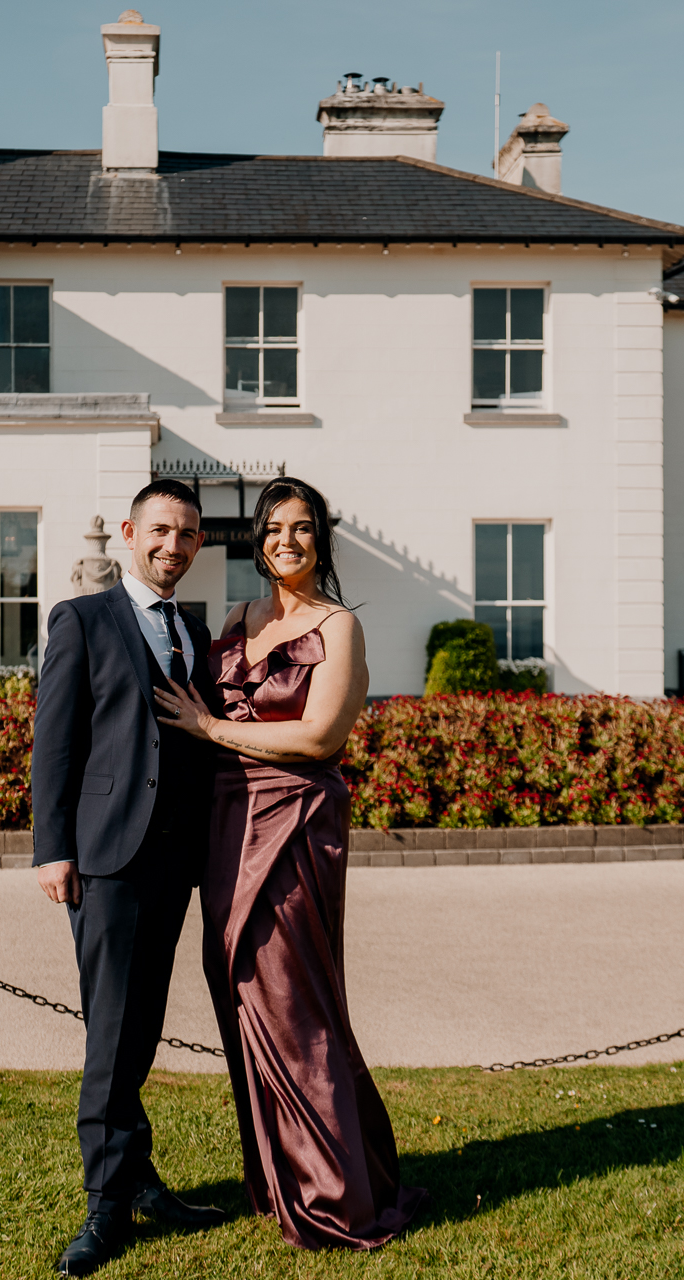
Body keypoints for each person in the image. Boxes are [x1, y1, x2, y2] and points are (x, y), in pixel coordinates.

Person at [153, 477, 427, 1251]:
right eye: (274, 528)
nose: (286, 541)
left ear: (322, 540)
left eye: (302, 529)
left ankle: (336, 1193)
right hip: (226, 825)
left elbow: (317, 739)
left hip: (297, 827)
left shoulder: (340, 626)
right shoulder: (238, 619)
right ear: (257, 539)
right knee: (241, 996)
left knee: (295, 1002)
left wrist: (209, 729)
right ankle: (279, 1178)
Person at [32, 479, 228, 1276]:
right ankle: (107, 1203)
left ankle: (138, 1175)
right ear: (127, 532)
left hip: (173, 861)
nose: (171, 546)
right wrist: (52, 848)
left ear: (199, 544)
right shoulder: (82, 619)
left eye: (186, 535)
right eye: (159, 531)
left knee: (140, 1024)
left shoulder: (196, 629)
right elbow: (55, 742)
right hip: (106, 857)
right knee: (112, 1029)